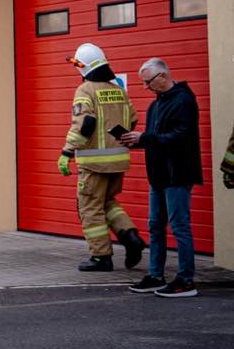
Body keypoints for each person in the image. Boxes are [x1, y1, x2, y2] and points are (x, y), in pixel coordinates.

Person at [57, 42, 143, 272]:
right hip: (118, 161)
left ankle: (100, 257)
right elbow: (132, 119)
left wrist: (66, 152)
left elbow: (83, 124)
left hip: (93, 164)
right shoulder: (118, 90)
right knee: (106, 202)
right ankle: (130, 236)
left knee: (89, 208)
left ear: (83, 67)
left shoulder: (85, 90)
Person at [120, 58, 201, 298]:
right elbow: (156, 138)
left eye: (148, 82)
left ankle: (186, 280)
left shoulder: (183, 100)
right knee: (155, 226)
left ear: (163, 76)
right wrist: (134, 141)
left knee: (179, 226)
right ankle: (155, 275)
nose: (146, 87)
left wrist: (144, 138)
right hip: (158, 176)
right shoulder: (155, 105)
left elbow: (180, 136)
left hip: (177, 174)